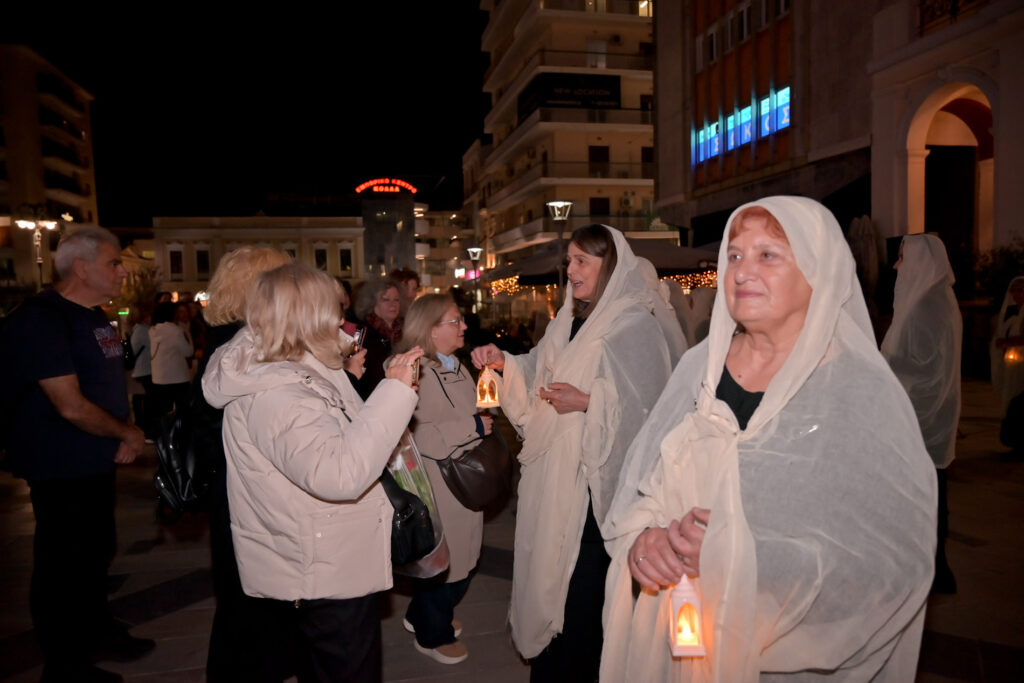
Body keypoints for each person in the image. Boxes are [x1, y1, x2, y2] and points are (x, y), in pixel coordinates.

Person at [601, 197, 937, 681]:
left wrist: (737, 557)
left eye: (768, 255)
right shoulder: (699, 367)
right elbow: (641, 480)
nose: (742, 271)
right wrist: (644, 538)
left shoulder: (856, 390)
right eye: (735, 255)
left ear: (818, 271)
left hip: (784, 654)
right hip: (677, 629)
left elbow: (888, 558)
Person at [470, 224, 681, 681]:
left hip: (592, 491)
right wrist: (506, 361)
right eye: (569, 260)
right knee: (548, 579)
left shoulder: (633, 324)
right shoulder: (566, 320)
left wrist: (588, 402)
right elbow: (538, 367)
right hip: (553, 479)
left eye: (582, 260)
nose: (571, 269)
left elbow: (652, 407)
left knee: (581, 597)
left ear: (610, 267)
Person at [203, 263, 423, 681]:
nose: (341, 320)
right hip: (323, 569)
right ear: (307, 317)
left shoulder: (288, 365)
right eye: (332, 310)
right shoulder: (278, 392)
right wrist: (395, 391)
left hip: (321, 555)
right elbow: (340, 474)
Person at [0, 226, 155, 682]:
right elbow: (68, 404)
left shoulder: (96, 317)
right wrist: (127, 432)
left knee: (95, 552)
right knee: (62, 564)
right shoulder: (42, 320)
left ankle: (97, 633)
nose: (123, 271)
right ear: (81, 268)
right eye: (114, 263)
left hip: (93, 459)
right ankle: (65, 665)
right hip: (59, 462)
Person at [193, 246, 294, 682]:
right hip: (241, 487)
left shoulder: (233, 338)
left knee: (249, 592)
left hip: (237, 483)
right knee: (247, 594)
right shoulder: (242, 345)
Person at [395, 294, 491, 665]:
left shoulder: (456, 364)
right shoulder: (414, 372)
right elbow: (418, 436)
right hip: (439, 483)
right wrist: (472, 427)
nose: (464, 326)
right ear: (432, 330)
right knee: (447, 567)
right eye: (455, 321)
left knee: (465, 559)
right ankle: (432, 635)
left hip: (464, 478)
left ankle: (421, 615)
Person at [881, 233, 962, 594]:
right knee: (931, 490)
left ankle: (930, 569)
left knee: (921, 494)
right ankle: (933, 566)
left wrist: (877, 366)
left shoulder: (926, 306)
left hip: (918, 417)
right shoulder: (937, 297)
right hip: (928, 415)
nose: (896, 265)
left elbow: (916, 366)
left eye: (902, 257)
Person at [354, 277, 404, 397]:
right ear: (372, 303)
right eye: (385, 299)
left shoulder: (406, 330)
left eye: (396, 300)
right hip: (371, 398)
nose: (393, 304)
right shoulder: (359, 333)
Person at [149, 301, 193, 419]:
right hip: (178, 378)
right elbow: (188, 351)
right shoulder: (175, 330)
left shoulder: (152, 330)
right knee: (182, 412)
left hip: (159, 378)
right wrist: (187, 333)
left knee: (164, 412)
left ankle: (165, 430)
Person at [992, 276, 1024, 415]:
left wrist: (1011, 342)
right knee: (1011, 392)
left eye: (1021, 290)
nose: (1017, 294)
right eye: (1014, 291)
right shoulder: (1011, 314)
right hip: (1012, 361)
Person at [128, 304, 156, 441]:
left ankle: (141, 429)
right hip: (145, 370)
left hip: (141, 370)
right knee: (148, 403)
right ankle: (146, 431)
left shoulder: (138, 329)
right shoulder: (143, 330)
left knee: (140, 402)